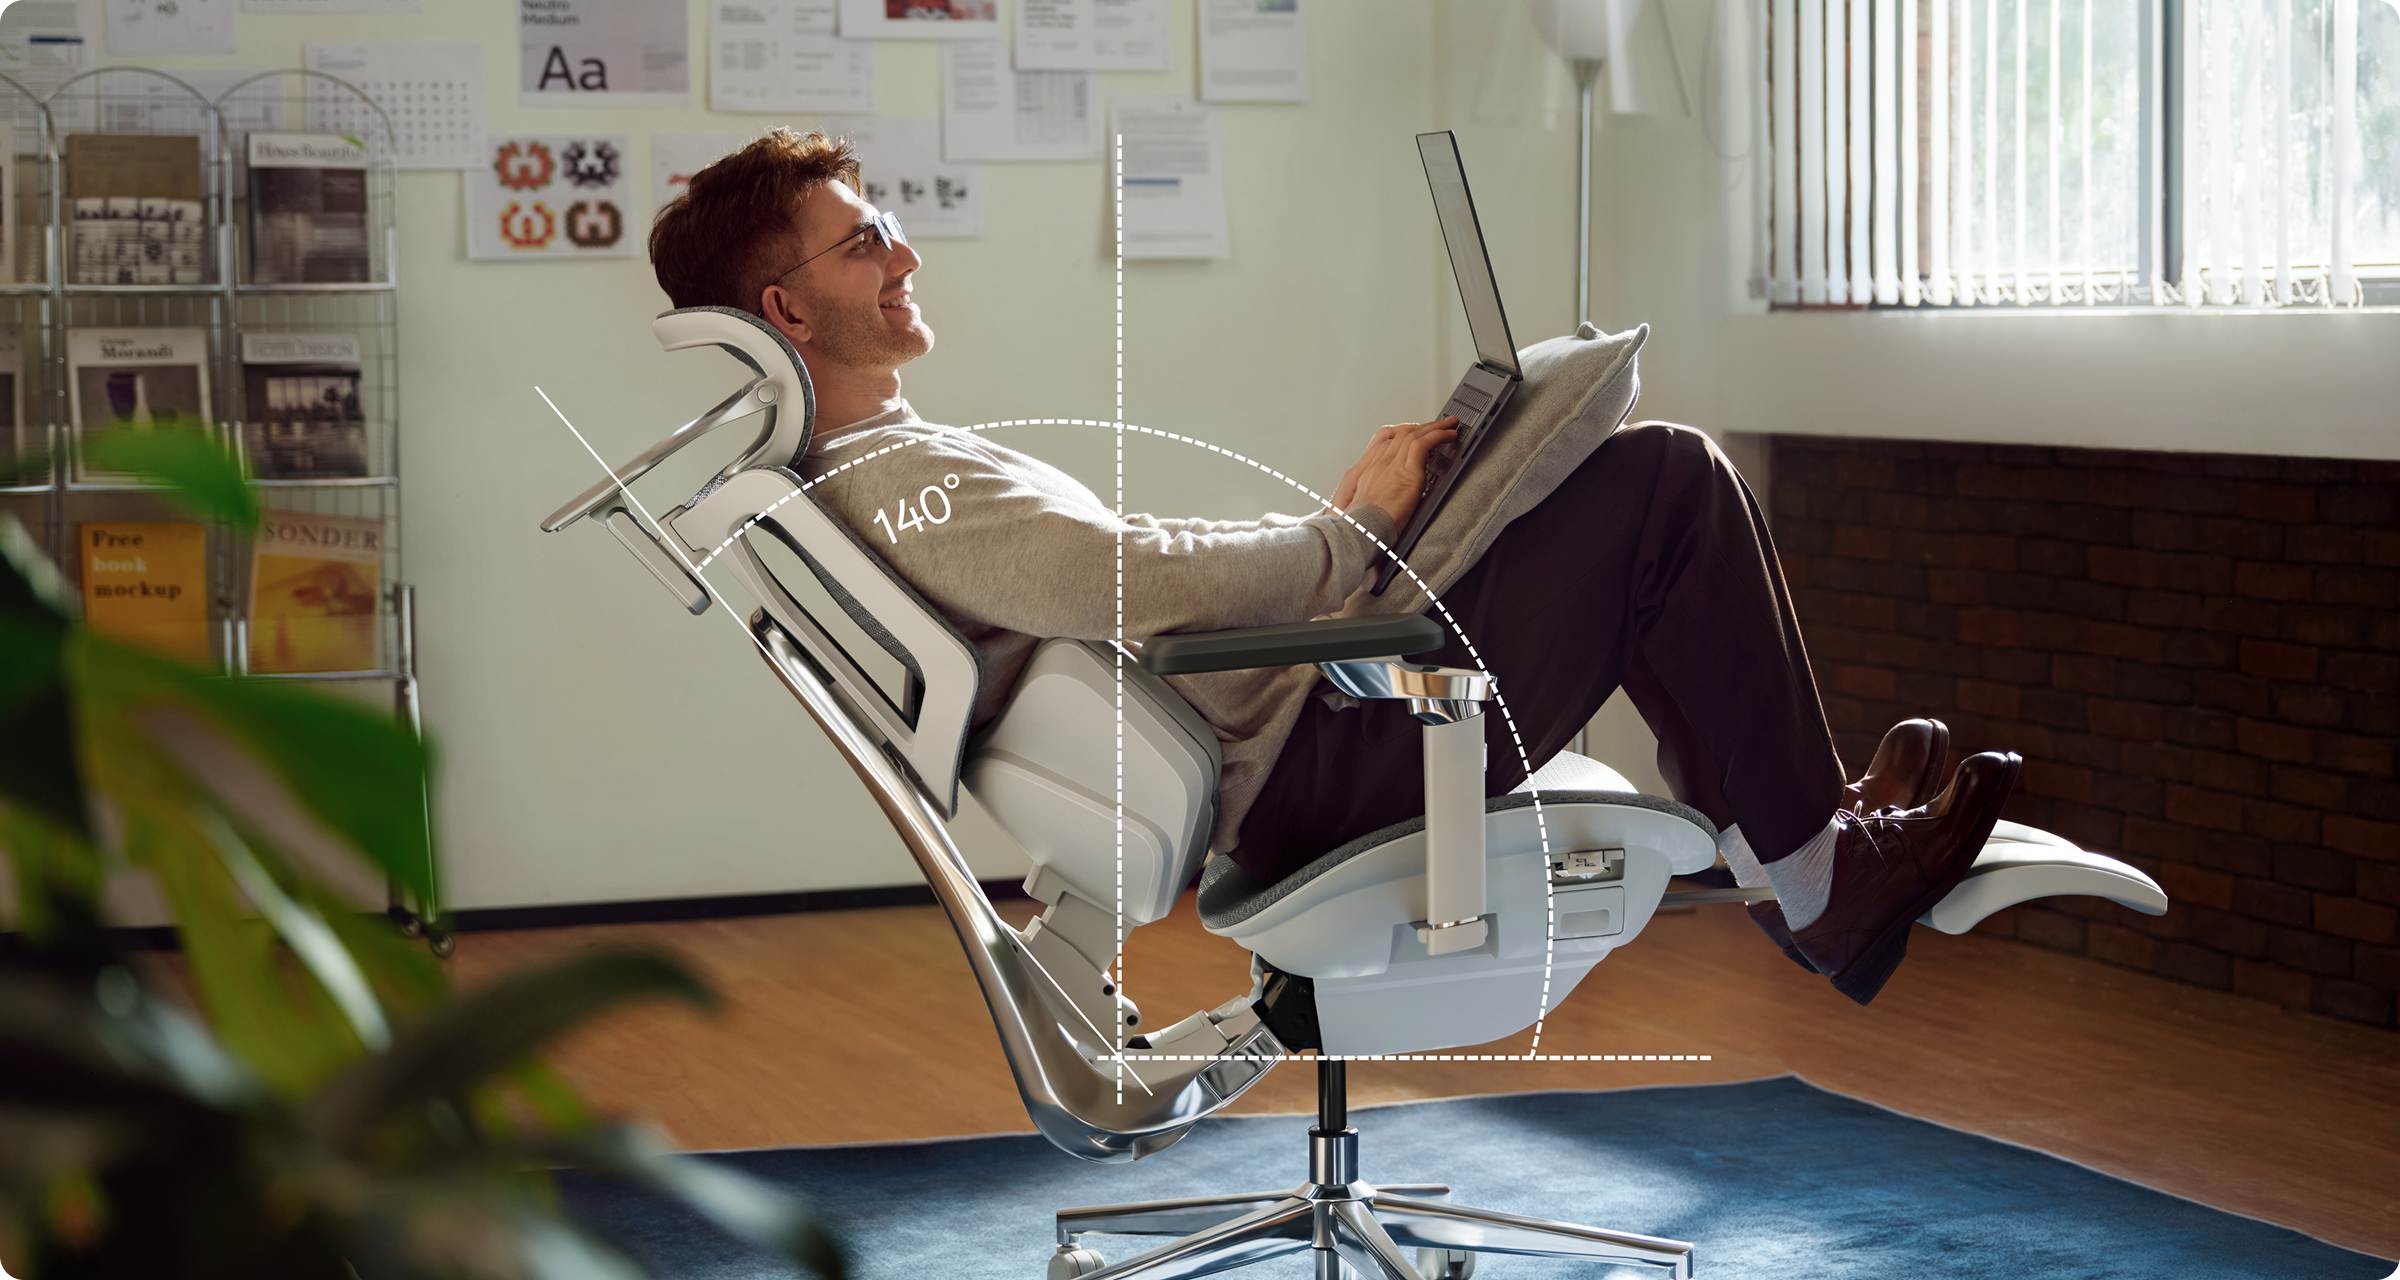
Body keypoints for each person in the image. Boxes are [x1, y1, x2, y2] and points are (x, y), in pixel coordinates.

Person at [646, 128, 2022, 1005]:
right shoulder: (901, 476)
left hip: (1296, 730)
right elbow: (1120, 581)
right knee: (1665, 485)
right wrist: (1348, 535)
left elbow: (1119, 583)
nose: (904, 249)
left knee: (1611, 488)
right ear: (787, 309)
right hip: (1324, 761)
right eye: (862, 238)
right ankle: (1817, 874)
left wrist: (1354, 534)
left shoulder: (882, 464)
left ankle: (1800, 847)